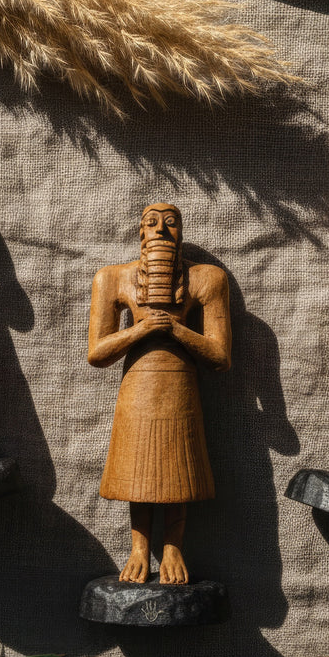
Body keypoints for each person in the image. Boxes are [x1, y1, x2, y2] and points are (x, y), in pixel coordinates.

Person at [88, 204, 231, 584]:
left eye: (171, 223)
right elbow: (96, 353)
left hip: (180, 386)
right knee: (138, 466)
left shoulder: (208, 279)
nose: (161, 230)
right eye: (151, 223)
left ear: (181, 233)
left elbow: (220, 356)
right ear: (140, 234)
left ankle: (172, 548)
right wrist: (140, 329)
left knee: (176, 463)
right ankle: (138, 549)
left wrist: (177, 329)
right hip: (138, 386)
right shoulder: (112, 278)